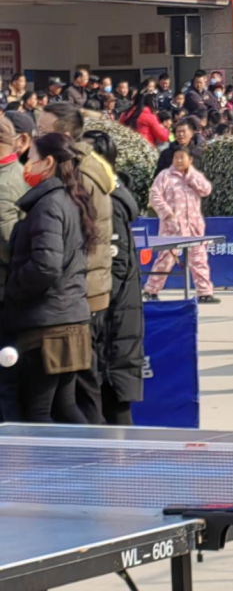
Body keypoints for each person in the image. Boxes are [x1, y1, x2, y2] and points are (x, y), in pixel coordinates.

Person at [4, 133, 98, 423]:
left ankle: (85, 452)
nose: (27, 164)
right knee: (64, 407)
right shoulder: (69, 199)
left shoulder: (49, 205)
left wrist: (13, 285)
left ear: (47, 162)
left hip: (49, 327)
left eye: (31, 158)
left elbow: (46, 266)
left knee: (40, 412)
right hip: (68, 319)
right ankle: (91, 451)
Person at [37, 103, 116, 423]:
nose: (36, 138)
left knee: (82, 389)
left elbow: (76, 237)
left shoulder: (79, 171)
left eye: (42, 131)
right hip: (86, 288)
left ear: (64, 135)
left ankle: (97, 448)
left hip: (81, 291)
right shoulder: (88, 164)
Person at [82, 131, 144, 425]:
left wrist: (96, 310)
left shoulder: (111, 201)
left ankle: (119, 452)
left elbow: (116, 266)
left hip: (113, 318)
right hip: (111, 316)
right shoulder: (103, 194)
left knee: (113, 395)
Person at [143, 148, 219, 304]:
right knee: (165, 259)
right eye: (176, 157)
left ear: (190, 160)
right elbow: (154, 195)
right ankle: (151, 291)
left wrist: (190, 175)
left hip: (194, 227)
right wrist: (167, 214)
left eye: (182, 157)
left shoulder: (195, 176)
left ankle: (205, 293)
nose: (178, 160)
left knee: (199, 260)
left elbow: (206, 190)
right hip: (172, 227)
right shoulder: (165, 176)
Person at [0, 115, 27, 422]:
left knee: (6, 383)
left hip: (5, 294)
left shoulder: (5, 184)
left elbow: (10, 244)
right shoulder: (19, 173)